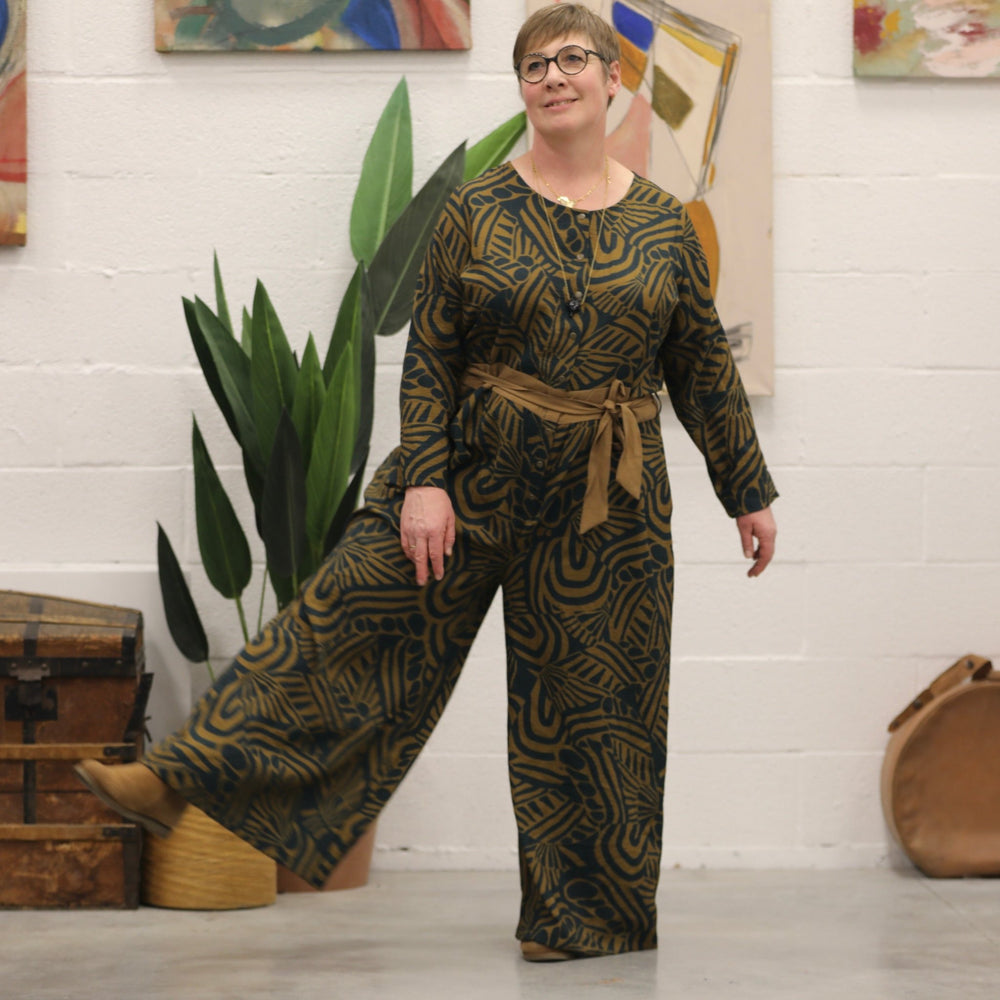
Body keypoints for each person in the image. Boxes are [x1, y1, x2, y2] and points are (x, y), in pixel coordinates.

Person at [76, 3, 777, 962]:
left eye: (574, 58)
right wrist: (425, 481)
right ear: (523, 89)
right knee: (344, 623)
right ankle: (184, 776)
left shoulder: (663, 225)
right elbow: (431, 356)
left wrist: (746, 490)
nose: (554, 76)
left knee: (597, 706)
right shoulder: (474, 209)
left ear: (615, 79)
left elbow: (701, 367)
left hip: (607, 498)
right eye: (534, 64)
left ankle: (586, 923)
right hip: (476, 469)